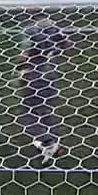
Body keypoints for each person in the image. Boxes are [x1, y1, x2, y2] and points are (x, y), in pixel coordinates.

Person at [18, 17, 71, 163]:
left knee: (29, 113)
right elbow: (66, 44)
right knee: (44, 109)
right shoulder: (52, 29)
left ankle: (48, 143)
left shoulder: (30, 31)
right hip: (50, 73)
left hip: (33, 76)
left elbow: (24, 56)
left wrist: (20, 70)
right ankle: (51, 142)